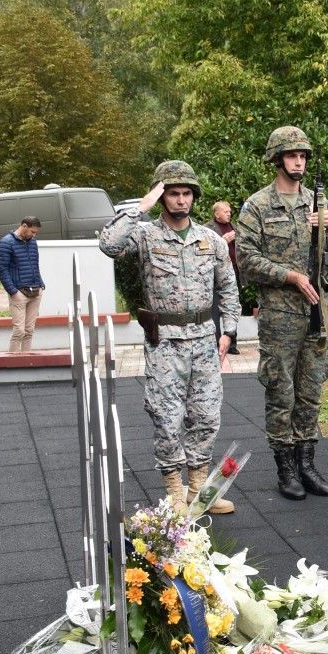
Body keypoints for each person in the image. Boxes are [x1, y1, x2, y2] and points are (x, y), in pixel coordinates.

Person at [100, 161, 240, 515]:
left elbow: (228, 288)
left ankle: (198, 490)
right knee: (166, 418)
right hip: (164, 343)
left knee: (206, 416)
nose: (181, 200)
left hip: (205, 340)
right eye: (173, 194)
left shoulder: (210, 240)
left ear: (194, 197)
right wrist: (140, 207)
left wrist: (229, 331)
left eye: (186, 194)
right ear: (163, 198)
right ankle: (175, 492)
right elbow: (108, 245)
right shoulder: (145, 234)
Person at [235, 126, 328, 500]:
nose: (298, 161)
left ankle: (308, 463)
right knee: (280, 390)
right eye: (291, 155)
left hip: (317, 312)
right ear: (277, 159)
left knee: (312, 390)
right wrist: (289, 276)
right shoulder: (258, 206)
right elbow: (246, 260)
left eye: (303, 156)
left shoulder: (318, 203)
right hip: (280, 316)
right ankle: (285, 468)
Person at [0, 216, 46, 352]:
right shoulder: (6, 242)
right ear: (24, 226)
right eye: (32, 231)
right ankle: (12, 364)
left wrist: (41, 284)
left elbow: (35, 265)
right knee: (19, 331)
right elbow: (1, 269)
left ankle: (26, 362)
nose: (33, 235)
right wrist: (13, 292)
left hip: (36, 291)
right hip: (19, 293)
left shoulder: (32, 242)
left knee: (29, 331)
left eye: (35, 233)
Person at [210, 201, 242, 355]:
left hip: (234, 272)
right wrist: (223, 240)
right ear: (216, 214)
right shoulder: (208, 228)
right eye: (225, 211)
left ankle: (232, 343)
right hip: (215, 276)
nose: (229, 214)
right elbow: (206, 251)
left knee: (232, 306)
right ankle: (217, 342)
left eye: (230, 211)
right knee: (215, 309)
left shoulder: (234, 226)